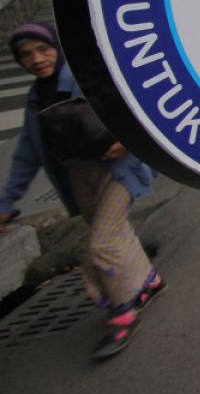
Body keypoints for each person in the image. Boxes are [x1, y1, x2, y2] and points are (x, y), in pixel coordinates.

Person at [0, 22, 164, 359]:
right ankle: (147, 281)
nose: (37, 59)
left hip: (119, 169)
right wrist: (7, 202)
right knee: (115, 232)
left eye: (43, 49)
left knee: (102, 243)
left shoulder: (83, 77)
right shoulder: (36, 98)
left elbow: (134, 105)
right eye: (26, 54)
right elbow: (27, 154)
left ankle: (122, 313)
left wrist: (125, 140)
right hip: (80, 174)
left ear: (56, 48)